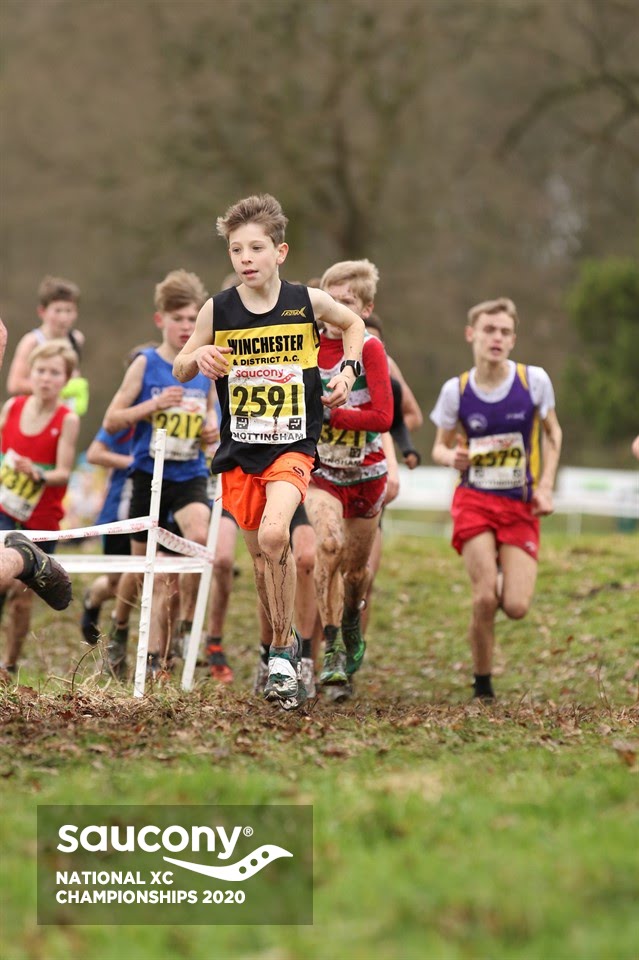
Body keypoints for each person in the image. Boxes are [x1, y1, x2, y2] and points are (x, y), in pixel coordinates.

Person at [173, 193, 364, 710]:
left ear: (280, 252)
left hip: (293, 444)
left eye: (256, 248)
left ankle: (282, 654)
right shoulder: (218, 309)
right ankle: (282, 647)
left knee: (277, 534)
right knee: (262, 561)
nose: (246, 258)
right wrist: (200, 355)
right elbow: (180, 366)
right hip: (241, 450)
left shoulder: (307, 301)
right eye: (236, 250)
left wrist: (348, 371)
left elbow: (354, 325)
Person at [430, 297, 562, 701]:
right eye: (489, 330)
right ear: (471, 334)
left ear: (513, 339)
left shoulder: (533, 381)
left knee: (516, 606)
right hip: (474, 499)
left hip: (519, 503)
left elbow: (553, 433)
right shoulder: (456, 390)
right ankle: (482, 683)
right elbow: (439, 447)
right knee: (485, 596)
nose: (497, 338)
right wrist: (452, 457)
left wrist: (545, 486)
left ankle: (503, 566)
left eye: (505, 332)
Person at [102, 270, 218, 679]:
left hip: (188, 474)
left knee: (199, 537)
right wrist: (151, 406)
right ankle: (118, 628)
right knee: (140, 570)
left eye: (191, 319)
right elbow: (112, 419)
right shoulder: (145, 364)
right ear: (160, 320)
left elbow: (210, 415)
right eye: (178, 319)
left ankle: (183, 631)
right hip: (148, 477)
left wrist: (210, 429)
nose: (186, 327)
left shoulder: (204, 364)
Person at [303, 259, 393, 700]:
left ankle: (353, 619)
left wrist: (335, 415)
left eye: (348, 303)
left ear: (365, 309)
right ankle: (333, 643)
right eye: (330, 301)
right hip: (322, 475)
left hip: (367, 475)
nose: (337, 311)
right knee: (328, 545)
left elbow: (384, 416)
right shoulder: (305, 346)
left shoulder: (371, 350)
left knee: (357, 573)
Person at [0, 339, 80, 669]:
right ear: (30, 373)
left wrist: (37, 473)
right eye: (41, 371)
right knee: (2, 579)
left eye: (54, 373)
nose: (46, 379)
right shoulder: (13, 406)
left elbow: (64, 473)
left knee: (21, 599)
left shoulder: (67, 419)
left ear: (66, 379)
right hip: (5, 508)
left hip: (41, 518)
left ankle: (9, 664)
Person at [6, 275, 89, 416]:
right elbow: (14, 385)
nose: (63, 318)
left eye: (69, 311)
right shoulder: (31, 342)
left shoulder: (77, 339)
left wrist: (77, 389)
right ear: (42, 311)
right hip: (33, 414)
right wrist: (55, 387)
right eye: (58, 310)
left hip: (62, 414)